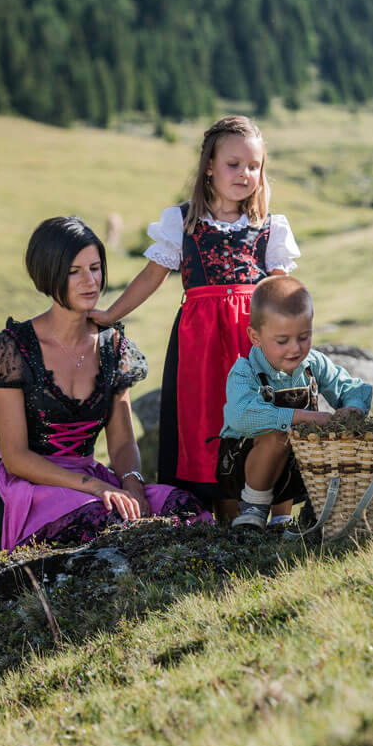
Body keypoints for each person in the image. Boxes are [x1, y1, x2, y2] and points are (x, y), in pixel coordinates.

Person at [90, 116, 300, 517]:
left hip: (254, 345)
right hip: (201, 347)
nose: (245, 174)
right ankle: (225, 525)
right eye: (233, 164)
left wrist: (296, 343)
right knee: (209, 430)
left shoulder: (269, 228)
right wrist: (110, 313)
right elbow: (152, 276)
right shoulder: (183, 223)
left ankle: (280, 521)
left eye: (254, 166)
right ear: (209, 165)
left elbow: (285, 294)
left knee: (266, 423)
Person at [0, 216, 211, 561]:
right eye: (74, 271)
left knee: (181, 507)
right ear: (49, 274)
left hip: (92, 480)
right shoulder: (14, 349)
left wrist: (132, 486)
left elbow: (121, 440)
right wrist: (99, 487)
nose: (90, 282)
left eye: (95, 268)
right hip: (32, 485)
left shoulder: (113, 348)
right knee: (101, 519)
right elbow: (16, 457)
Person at [220, 277, 373, 529]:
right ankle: (254, 508)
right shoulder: (244, 371)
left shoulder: (313, 362)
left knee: (309, 439)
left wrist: (352, 407)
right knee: (279, 432)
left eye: (304, 337)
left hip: (292, 466)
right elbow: (241, 415)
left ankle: (286, 515)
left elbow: (349, 386)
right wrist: (306, 417)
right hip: (243, 463)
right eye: (282, 341)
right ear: (255, 337)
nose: (295, 348)